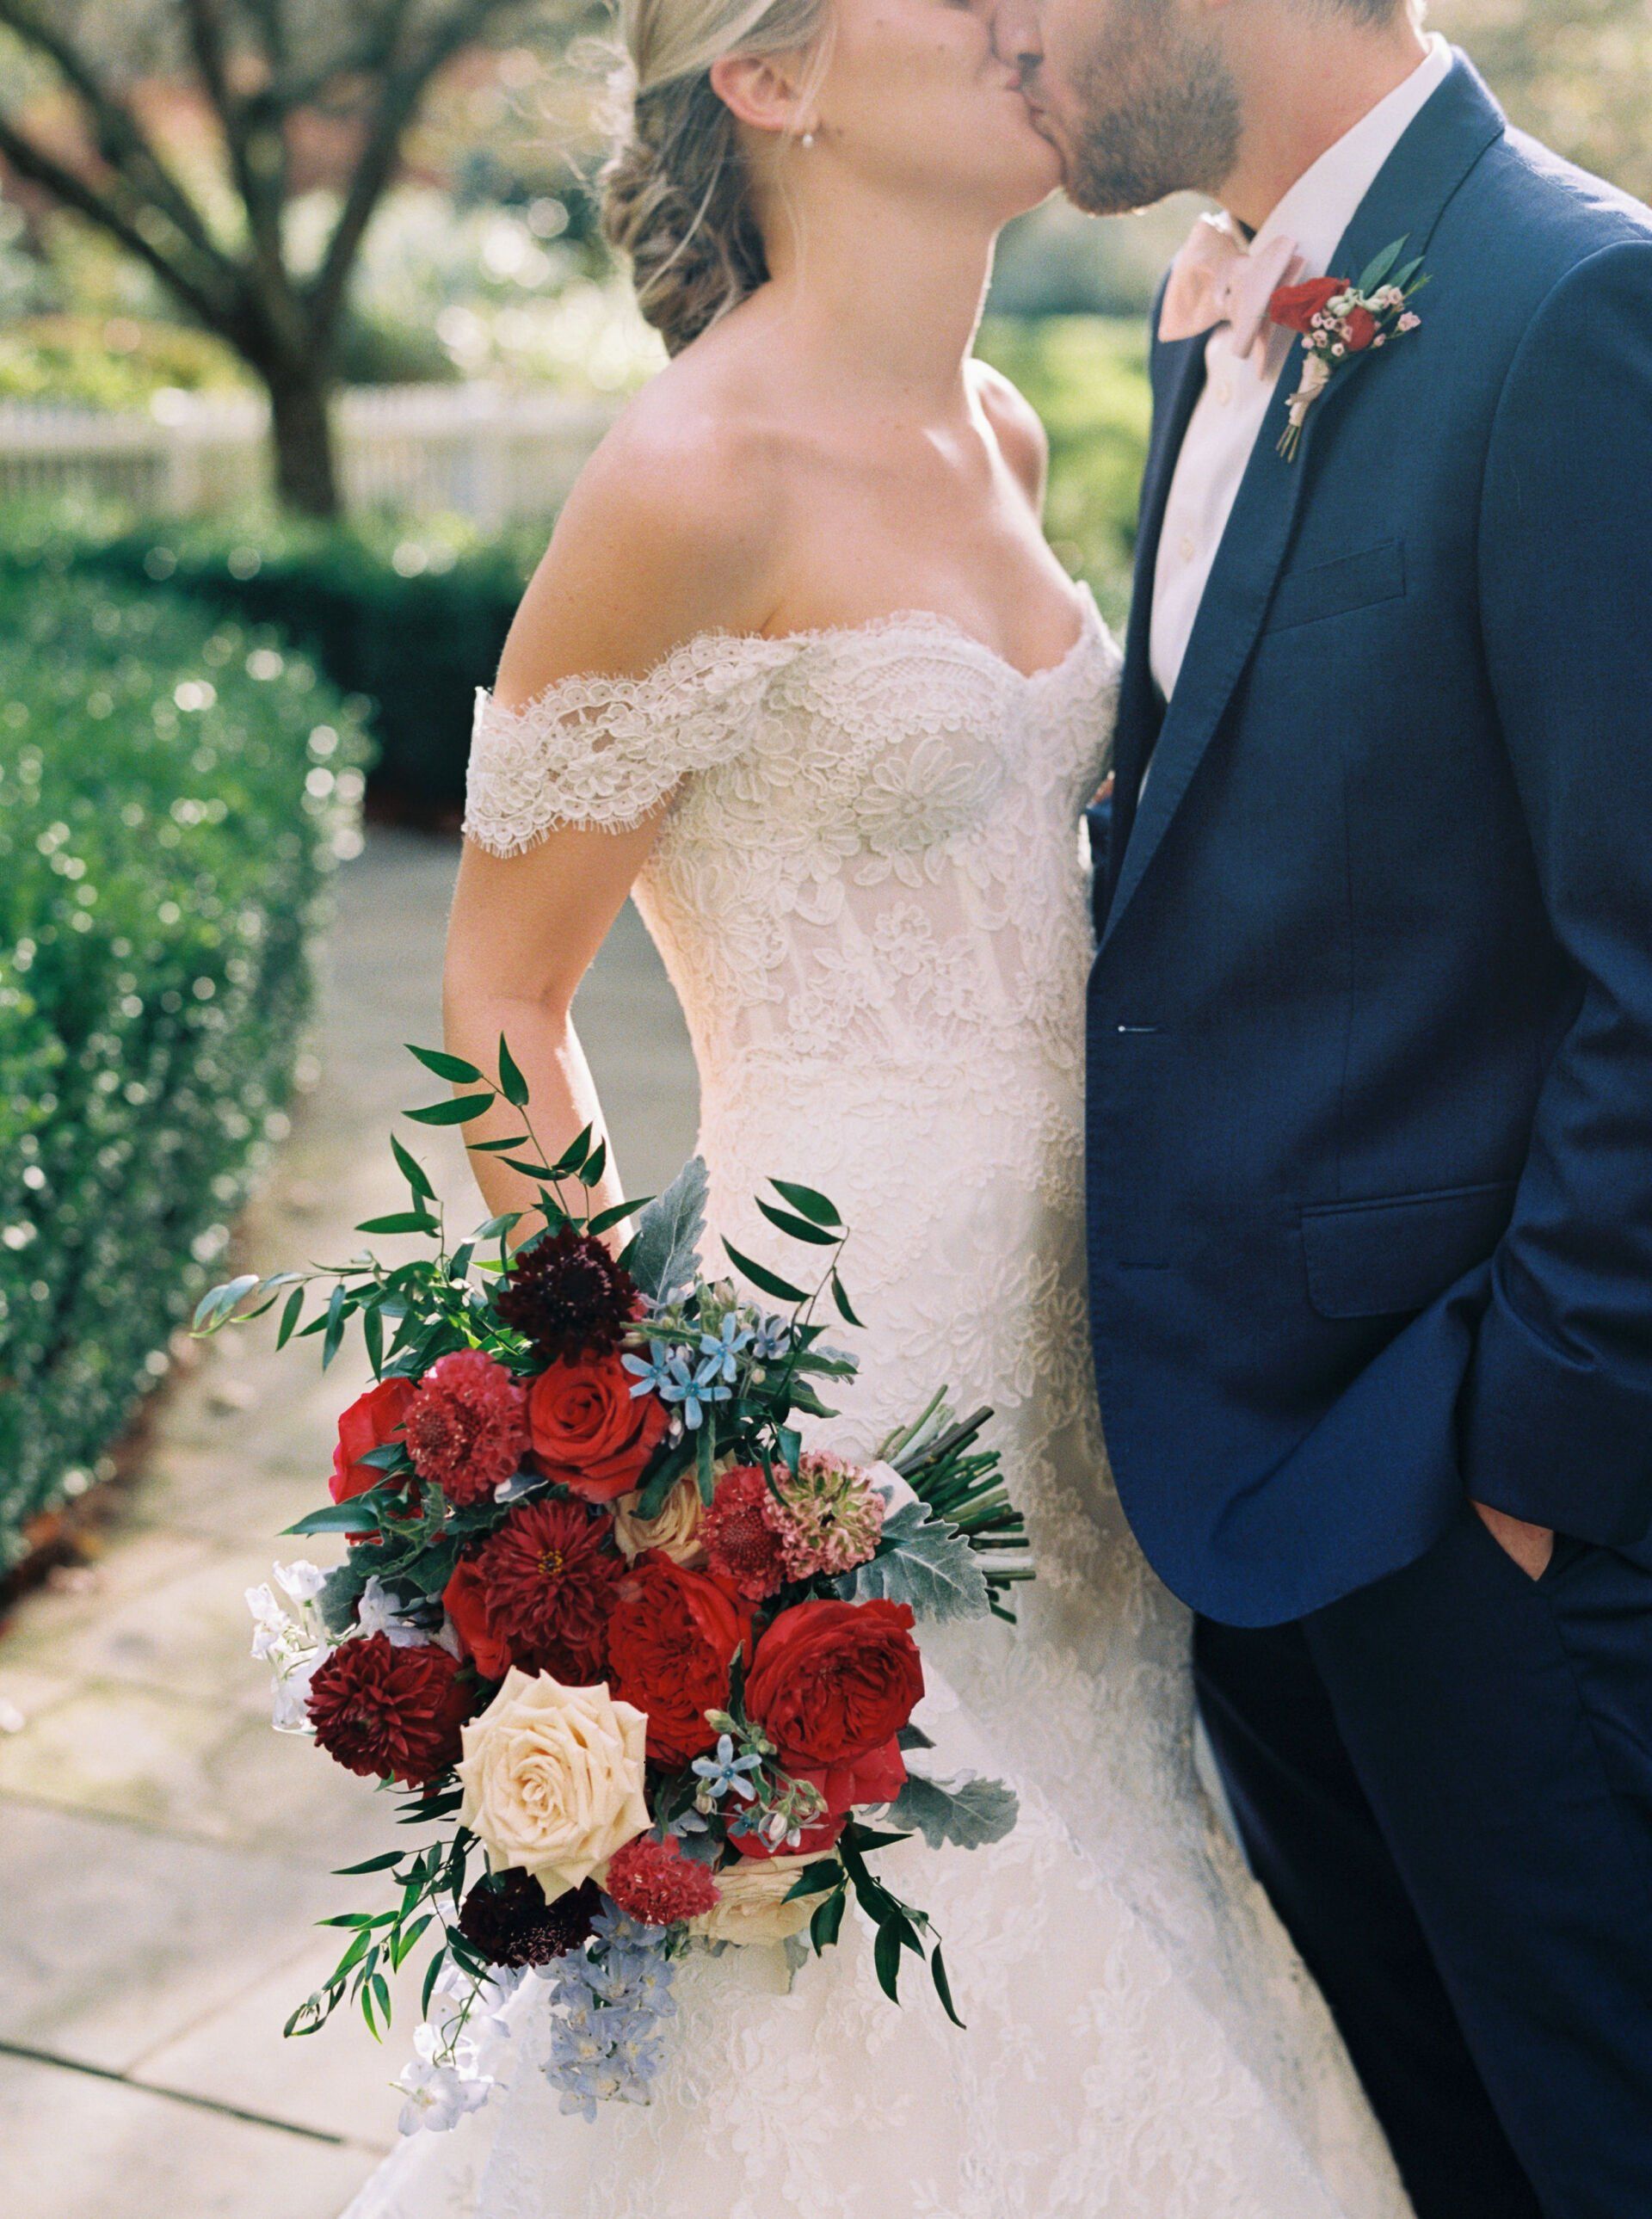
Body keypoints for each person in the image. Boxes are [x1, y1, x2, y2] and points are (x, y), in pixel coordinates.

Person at [338, 0, 1416, 2213]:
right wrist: (617, 1427)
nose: (1029, 12)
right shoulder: (690, 475)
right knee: (890, 1974)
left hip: (1095, 1373)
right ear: (774, 78)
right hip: (844, 1385)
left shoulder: (1005, 429)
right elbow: (502, 989)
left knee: (1110, 1857)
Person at [999, 0, 1652, 2213]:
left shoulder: (1575, 305)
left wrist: (1529, 1468)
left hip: (1485, 1511)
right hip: (1249, 1519)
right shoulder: (1219, 319)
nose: (1000, 37)